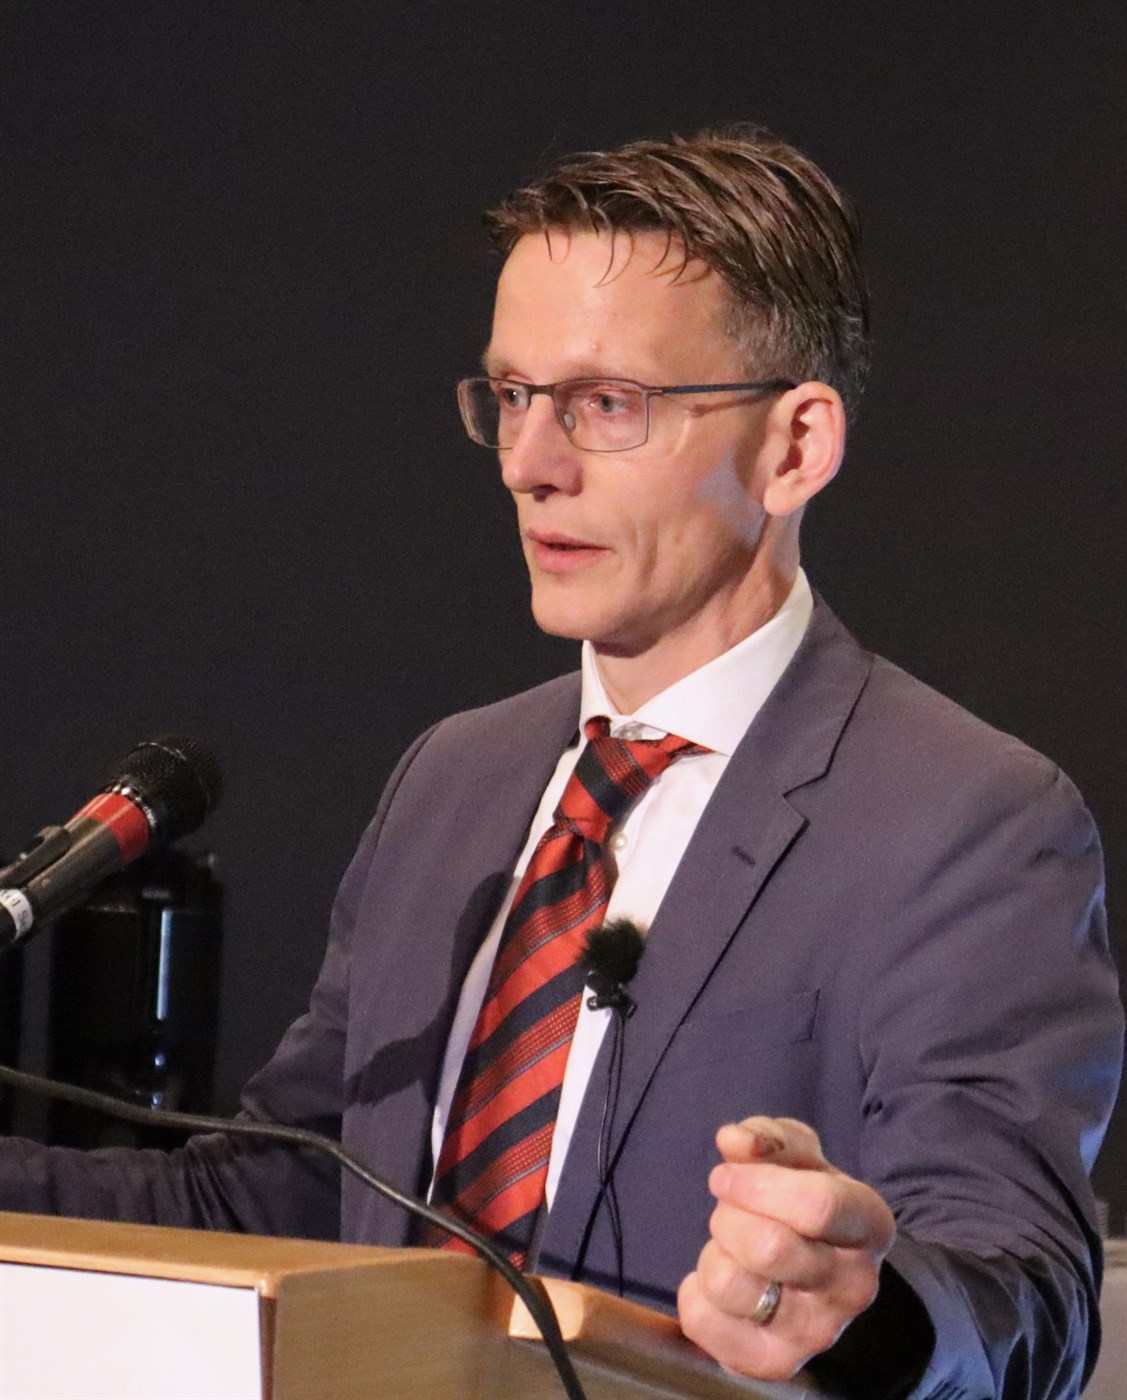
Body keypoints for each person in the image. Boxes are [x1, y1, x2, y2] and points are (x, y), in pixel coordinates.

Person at [0, 127, 1122, 1398]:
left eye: (604, 403)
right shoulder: (453, 779)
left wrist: (856, 1308)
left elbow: (1023, 1291)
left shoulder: (966, 820)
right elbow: (287, 1192)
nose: (530, 465)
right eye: (512, 396)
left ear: (794, 446)